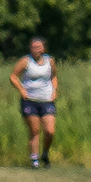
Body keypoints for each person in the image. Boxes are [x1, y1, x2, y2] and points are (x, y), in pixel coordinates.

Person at [11, 37, 57, 168]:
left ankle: (45, 153)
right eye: (33, 47)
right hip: (30, 100)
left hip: (47, 100)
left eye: (38, 47)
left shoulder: (50, 61)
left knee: (50, 130)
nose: (35, 50)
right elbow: (13, 76)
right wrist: (21, 89)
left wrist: (54, 90)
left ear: (43, 48)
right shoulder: (26, 61)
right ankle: (34, 159)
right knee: (35, 130)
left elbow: (53, 76)